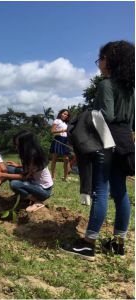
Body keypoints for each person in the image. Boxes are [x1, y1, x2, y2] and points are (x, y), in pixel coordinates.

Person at [61, 40, 134, 261]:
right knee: (120, 191)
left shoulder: (106, 85)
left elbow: (106, 116)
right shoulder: (130, 87)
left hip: (105, 139)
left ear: (108, 61)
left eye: (100, 59)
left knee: (100, 190)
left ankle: (88, 244)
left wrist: (87, 114)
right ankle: (118, 243)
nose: (98, 63)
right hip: (124, 140)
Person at [0, 130, 53, 213]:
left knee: (15, 184)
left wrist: (3, 175)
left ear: (25, 145)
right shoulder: (32, 152)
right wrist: (18, 166)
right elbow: (32, 169)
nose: (16, 147)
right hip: (35, 182)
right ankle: (21, 196)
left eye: (17, 145)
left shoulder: (33, 155)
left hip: (43, 191)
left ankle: (37, 201)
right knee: (9, 168)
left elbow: (24, 177)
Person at [49, 109, 70, 181]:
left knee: (66, 159)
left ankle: (65, 177)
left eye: (67, 115)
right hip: (58, 139)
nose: (65, 115)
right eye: (64, 114)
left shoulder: (66, 123)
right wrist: (63, 131)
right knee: (54, 158)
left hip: (65, 141)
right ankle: (52, 176)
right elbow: (52, 131)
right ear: (61, 113)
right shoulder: (57, 121)